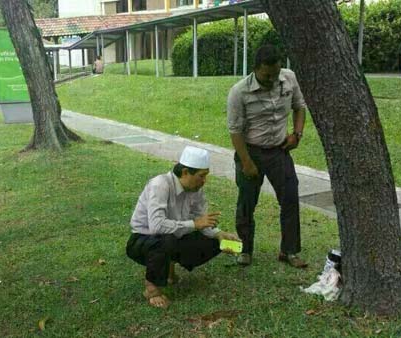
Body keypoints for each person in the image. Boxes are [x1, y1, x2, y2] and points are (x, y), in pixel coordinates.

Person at [126, 146, 239, 309]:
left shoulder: (196, 190)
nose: (204, 181)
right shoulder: (160, 184)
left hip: (172, 238)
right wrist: (194, 224)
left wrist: (219, 234)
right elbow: (157, 226)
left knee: (215, 243)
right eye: (201, 176)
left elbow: (201, 220)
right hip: (143, 241)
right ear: (185, 172)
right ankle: (151, 288)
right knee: (167, 239)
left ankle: (169, 268)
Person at [226, 45, 308, 268]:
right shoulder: (239, 92)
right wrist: (246, 163)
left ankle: (289, 251)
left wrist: (297, 134)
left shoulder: (289, 78)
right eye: (266, 75)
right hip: (250, 151)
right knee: (246, 203)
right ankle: (245, 250)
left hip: (279, 151)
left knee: (290, 199)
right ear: (255, 69)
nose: (272, 79)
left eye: (275, 73)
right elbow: (235, 131)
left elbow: (300, 107)